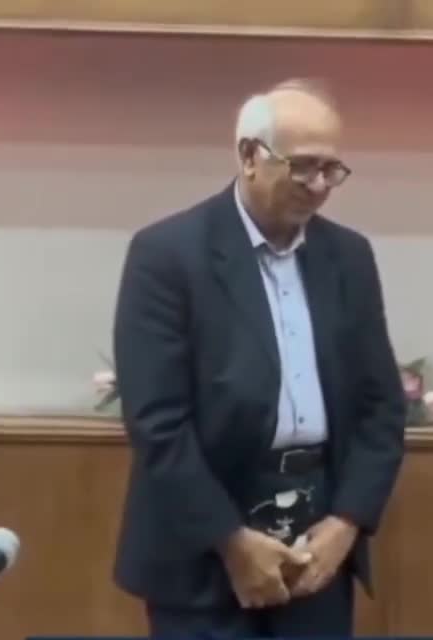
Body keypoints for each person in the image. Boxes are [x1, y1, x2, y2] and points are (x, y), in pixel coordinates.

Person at [110, 78, 408, 637]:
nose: (319, 186)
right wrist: (231, 541)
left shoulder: (348, 257)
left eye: (331, 169)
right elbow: (157, 423)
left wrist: (347, 523)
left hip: (317, 549)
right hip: (202, 556)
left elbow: (382, 408)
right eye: (303, 167)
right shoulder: (167, 256)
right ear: (249, 155)